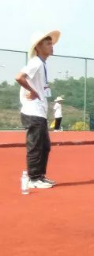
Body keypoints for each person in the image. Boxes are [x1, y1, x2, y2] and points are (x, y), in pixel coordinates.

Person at [15, 30, 61, 189]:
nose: (52, 46)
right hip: (32, 112)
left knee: (44, 146)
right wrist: (32, 91)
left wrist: (34, 90)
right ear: (38, 47)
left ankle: (39, 176)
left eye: (51, 43)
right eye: (48, 44)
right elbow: (19, 77)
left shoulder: (41, 64)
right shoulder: (36, 62)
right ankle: (34, 179)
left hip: (39, 112)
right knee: (36, 146)